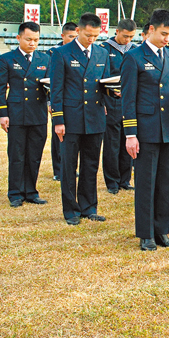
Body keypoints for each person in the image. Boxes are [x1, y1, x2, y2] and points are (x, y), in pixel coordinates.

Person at [121, 9, 169, 251]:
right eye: (164, 34)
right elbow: (128, 99)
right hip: (145, 130)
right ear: (151, 30)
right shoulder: (134, 57)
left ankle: (162, 231)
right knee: (146, 183)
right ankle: (145, 233)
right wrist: (130, 134)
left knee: (166, 182)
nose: (168, 39)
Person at [50, 12, 111, 225]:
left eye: (95, 35)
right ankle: (71, 210)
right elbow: (56, 89)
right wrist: (58, 120)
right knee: (69, 166)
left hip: (95, 117)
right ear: (78, 30)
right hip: (71, 117)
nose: (91, 39)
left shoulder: (102, 54)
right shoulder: (62, 53)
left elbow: (105, 84)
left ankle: (89, 206)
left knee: (91, 164)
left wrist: (114, 92)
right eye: (87, 35)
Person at [0, 21, 50, 207]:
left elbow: (51, 86)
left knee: (34, 154)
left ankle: (31, 191)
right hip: (16, 113)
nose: (32, 43)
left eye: (36, 40)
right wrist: (2, 113)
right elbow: (0, 88)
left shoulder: (45, 59)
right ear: (18, 38)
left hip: (38, 113)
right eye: (28, 39)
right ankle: (15, 193)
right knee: (17, 155)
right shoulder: (6, 59)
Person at [100, 19, 138, 194]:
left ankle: (125, 179)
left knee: (128, 140)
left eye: (131, 37)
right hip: (112, 101)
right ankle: (112, 182)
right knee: (112, 143)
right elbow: (101, 76)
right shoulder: (104, 49)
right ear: (117, 31)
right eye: (125, 36)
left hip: (130, 103)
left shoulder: (135, 50)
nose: (127, 40)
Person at [48, 22, 78, 181]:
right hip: (58, 101)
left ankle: (70, 167)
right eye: (70, 37)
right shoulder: (54, 52)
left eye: (76, 36)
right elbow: (51, 81)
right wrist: (50, 103)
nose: (74, 40)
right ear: (63, 36)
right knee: (57, 137)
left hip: (74, 103)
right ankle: (58, 169)